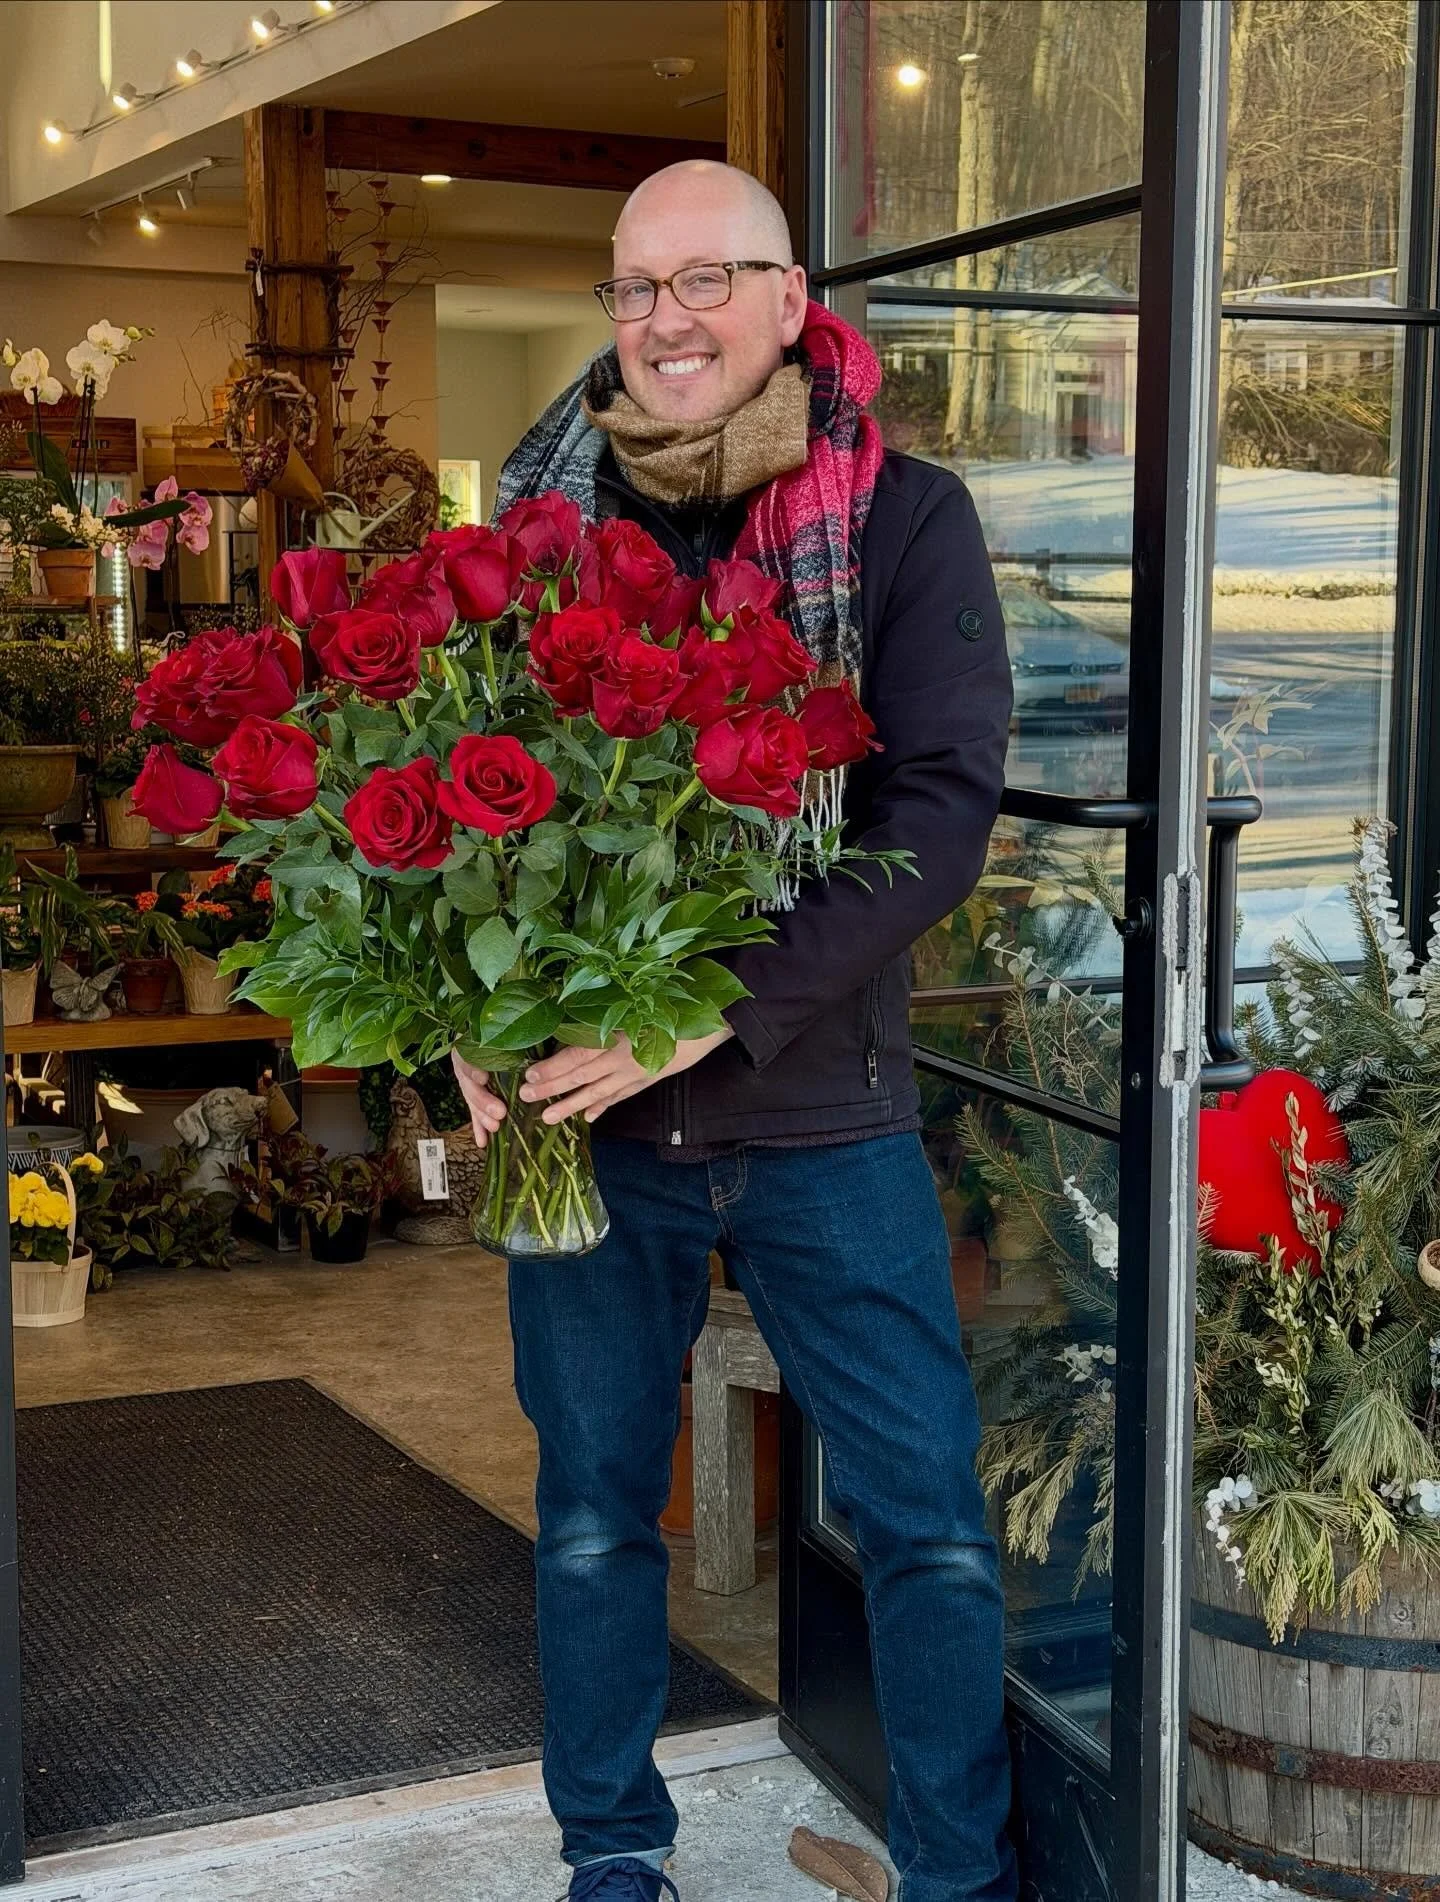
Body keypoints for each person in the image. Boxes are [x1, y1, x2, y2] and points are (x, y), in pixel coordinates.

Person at [453, 160, 1015, 1902]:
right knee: (596, 1517)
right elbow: (449, 810)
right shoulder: (538, 539)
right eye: (635, 287)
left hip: (820, 1116)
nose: (666, 318)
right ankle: (615, 1859)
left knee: (926, 1523)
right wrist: (457, 1030)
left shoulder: (905, 520)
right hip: (580, 1120)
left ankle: (957, 1876)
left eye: (708, 279)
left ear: (790, 300)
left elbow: (938, 812)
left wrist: (701, 1015)